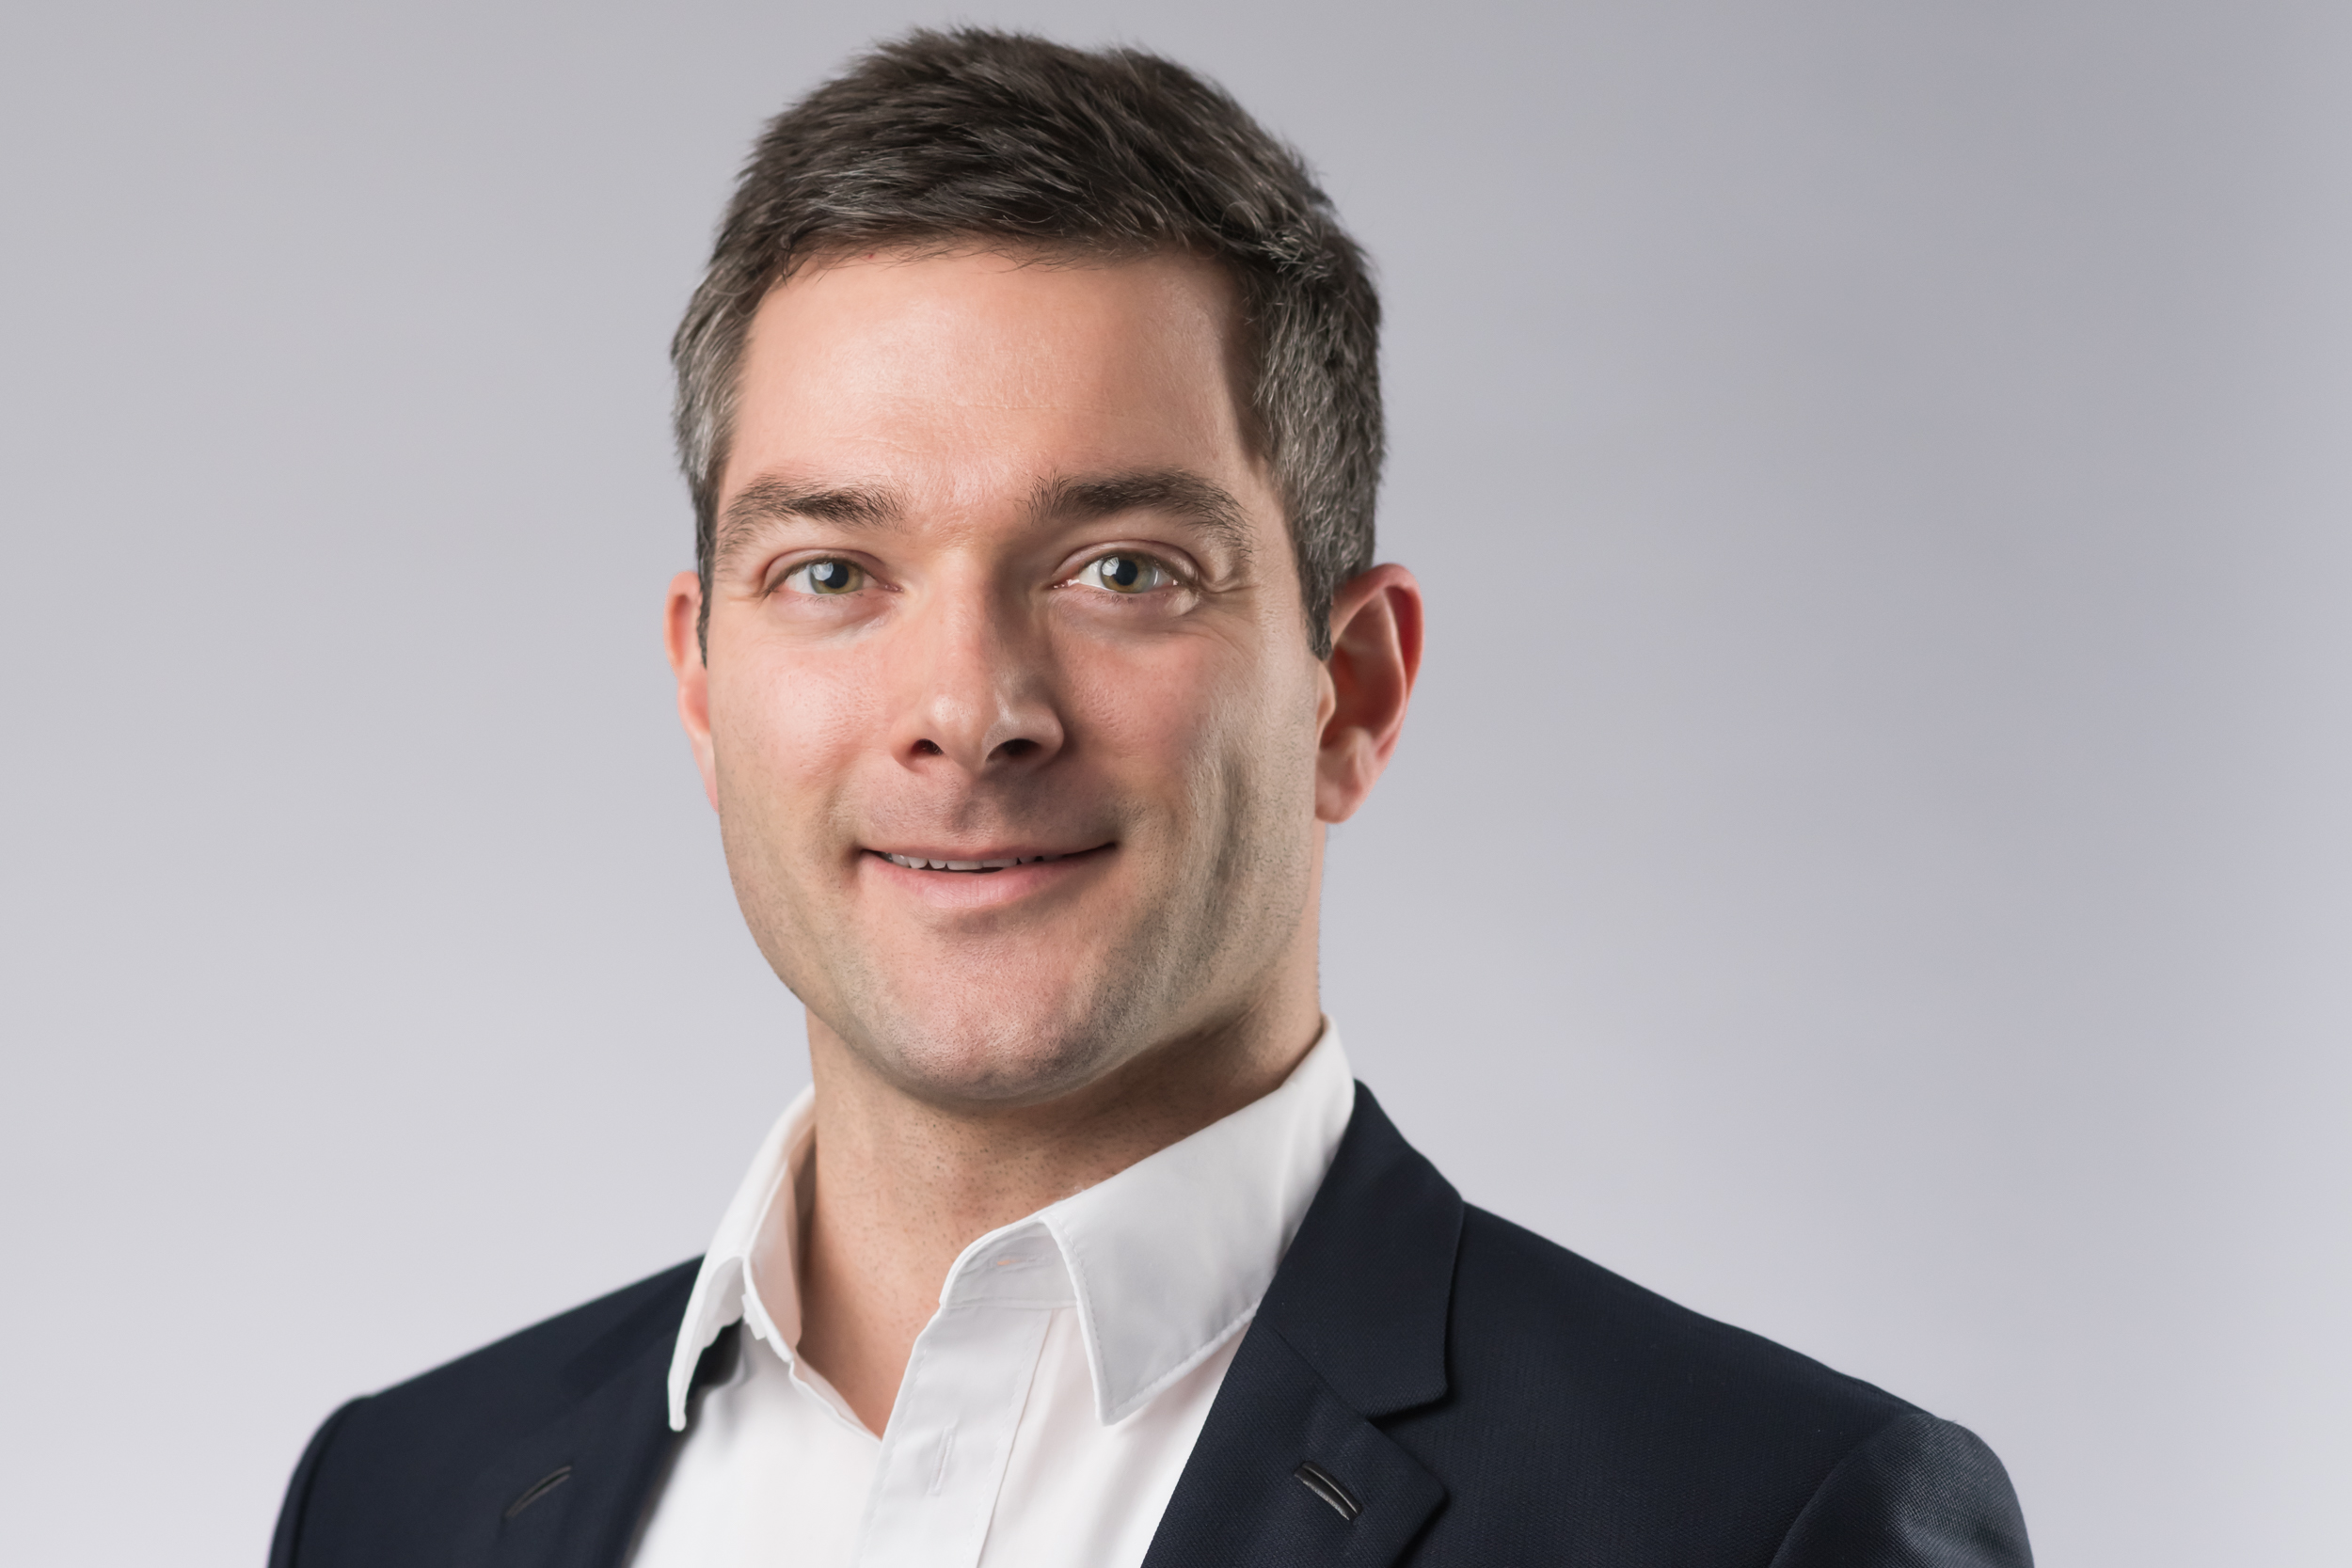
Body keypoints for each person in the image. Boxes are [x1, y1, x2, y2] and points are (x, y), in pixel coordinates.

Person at [268, 27, 2033, 1568]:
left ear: (1352, 690)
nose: (970, 713)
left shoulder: (1761, 1521)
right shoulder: (398, 1501)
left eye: (1122, 569)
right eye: (832, 572)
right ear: (703, 681)